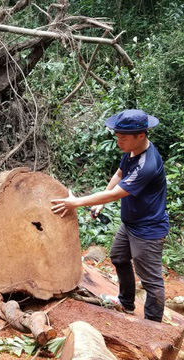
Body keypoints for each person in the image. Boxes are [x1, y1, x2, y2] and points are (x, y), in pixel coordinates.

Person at [51, 109, 169, 322]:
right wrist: (101, 203)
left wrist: (75, 203)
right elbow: (119, 174)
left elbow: (117, 193)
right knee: (118, 256)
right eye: (117, 136)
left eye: (123, 137)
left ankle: (153, 326)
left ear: (141, 135)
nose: (118, 141)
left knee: (151, 280)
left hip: (148, 230)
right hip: (131, 223)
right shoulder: (132, 152)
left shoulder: (147, 165)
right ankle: (126, 303)